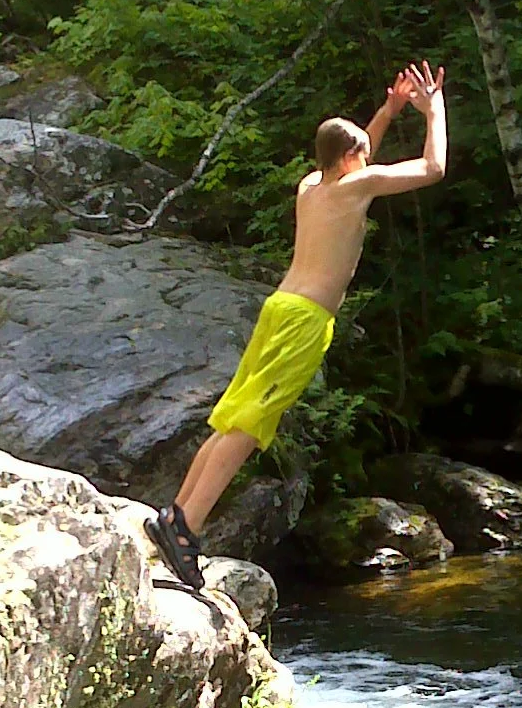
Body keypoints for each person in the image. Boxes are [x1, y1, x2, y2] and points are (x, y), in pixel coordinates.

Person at [147, 61, 448, 588]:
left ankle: (175, 516)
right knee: (248, 427)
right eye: (362, 155)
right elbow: (433, 168)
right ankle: (187, 529)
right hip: (304, 321)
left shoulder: (313, 184)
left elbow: (358, 149)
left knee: (231, 418)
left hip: (278, 307)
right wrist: (431, 108)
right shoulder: (359, 187)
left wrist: (389, 109)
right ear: (353, 161)